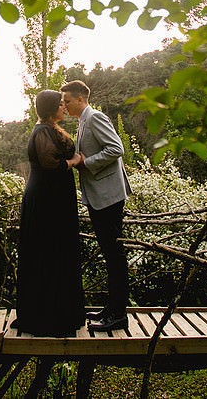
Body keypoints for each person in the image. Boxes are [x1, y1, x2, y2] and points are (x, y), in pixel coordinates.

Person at [11, 90, 86, 337]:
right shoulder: (42, 131)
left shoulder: (50, 129)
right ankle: (46, 317)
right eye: (60, 104)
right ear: (50, 108)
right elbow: (50, 164)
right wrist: (74, 161)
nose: (64, 107)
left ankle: (62, 312)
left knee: (58, 253)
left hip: (56, 200)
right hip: (45, 202)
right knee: (47, 253)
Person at [60, 80, 132, 332]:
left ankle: (119, 315)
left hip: (109, 196)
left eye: (67, 101)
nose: (64, 106)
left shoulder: (95, 117)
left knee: (114, 255)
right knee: (110, 255)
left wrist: (85, 162)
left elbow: (116, 149)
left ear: (80, 99)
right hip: (99, 197)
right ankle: (111, 309)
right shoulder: (83, 121)